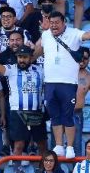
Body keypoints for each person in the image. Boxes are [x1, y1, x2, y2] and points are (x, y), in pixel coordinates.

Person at [32, 11, 90, 158]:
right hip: (50, 82)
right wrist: (42, 31)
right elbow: (35, 51)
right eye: (51, 23)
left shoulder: (74, 33)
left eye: (56, 23)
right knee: (55, 116)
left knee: (68, 116)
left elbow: (87, 36)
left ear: (64, 22)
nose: (54, 26)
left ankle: (69, 146)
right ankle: (59, 145)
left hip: (68, 82)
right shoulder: (46, 34)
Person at [0, 44, 47, 158]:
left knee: (42, 144)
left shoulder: (40, 70)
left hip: (37, 112)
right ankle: (16, 170)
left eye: (25, 57)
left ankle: (43, 169)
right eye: (20, 57)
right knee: (18, 145)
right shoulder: (11, 69)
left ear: (30, 58)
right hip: (17, 112)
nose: (22, 60)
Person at [74, 49, 90, 156]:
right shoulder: (65, 72)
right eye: (80, 57)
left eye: (85, 58)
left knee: (77, 146)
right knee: (56, 145)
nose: (82, 60)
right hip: (61, 114)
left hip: (77, 114)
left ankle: (76, 170)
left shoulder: (89, 76)